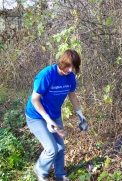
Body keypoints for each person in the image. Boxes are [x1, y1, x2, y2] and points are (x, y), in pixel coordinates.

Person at [25, 49, 88, 181]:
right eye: (68, 65)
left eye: (73, 67)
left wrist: (80, 114)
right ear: (62, 62)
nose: (70, 70)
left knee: (60, 147)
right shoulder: (47, 75)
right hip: (36, 116)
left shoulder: (70, 77)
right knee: (51, 149)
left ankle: (60, 175)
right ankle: (40, 170)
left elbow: (72, 95)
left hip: (55, 115)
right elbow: (35, 99)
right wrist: (47, 120)